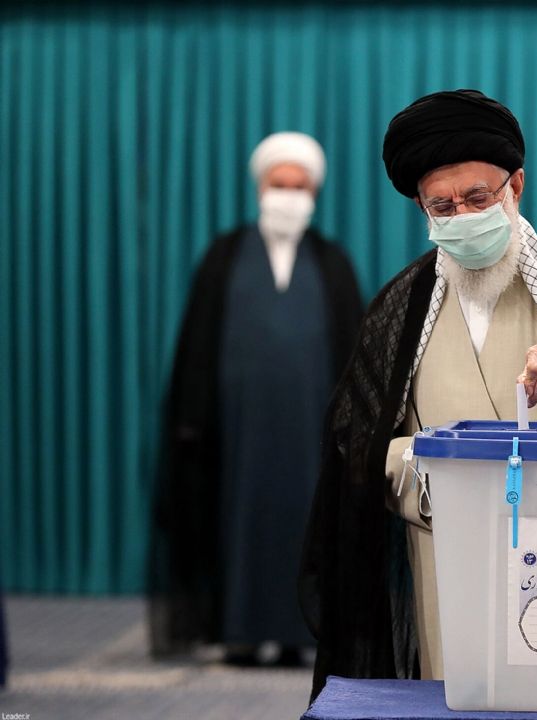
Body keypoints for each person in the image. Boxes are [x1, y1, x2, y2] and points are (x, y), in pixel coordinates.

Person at [299, 89, 537, 699]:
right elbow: (362, 444)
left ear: (516, 188)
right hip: (448, 557)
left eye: (477, 198)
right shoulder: (400, 310)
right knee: (459, 694)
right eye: (442, 206)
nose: (462, 216)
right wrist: (442, 477)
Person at [149, 132, 364, 667]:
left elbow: (355, 352)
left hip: (310, 432)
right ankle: (239, 630)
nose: (287, 195)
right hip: (235, 432)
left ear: (313, 193)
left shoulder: (332, 261)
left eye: (298, 186)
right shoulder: (223, 256)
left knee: (306, 523)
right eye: (278, 184)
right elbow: (196, 347)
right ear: (260, 188)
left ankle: (300, 631)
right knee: (236, 519)